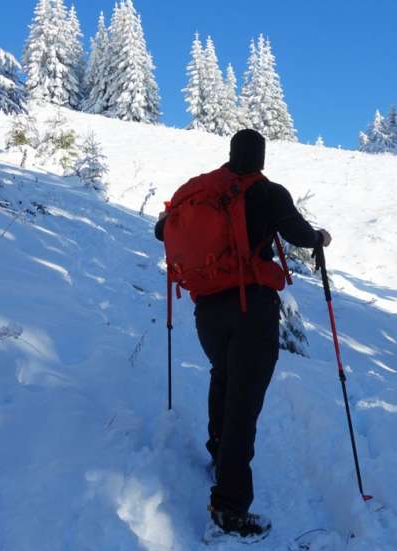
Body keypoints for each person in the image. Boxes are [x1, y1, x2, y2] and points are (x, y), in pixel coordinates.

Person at [155, 129, 330, 539]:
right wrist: (321, 238)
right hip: (251, 309)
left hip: (207, 310)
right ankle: (229, 507)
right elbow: (300, 235)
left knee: (224, 376)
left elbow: (162, 232)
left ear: (231, 155)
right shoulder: (268, 193)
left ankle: (219, 455)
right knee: (244, 403)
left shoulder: (204, 190)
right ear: (261, 158)